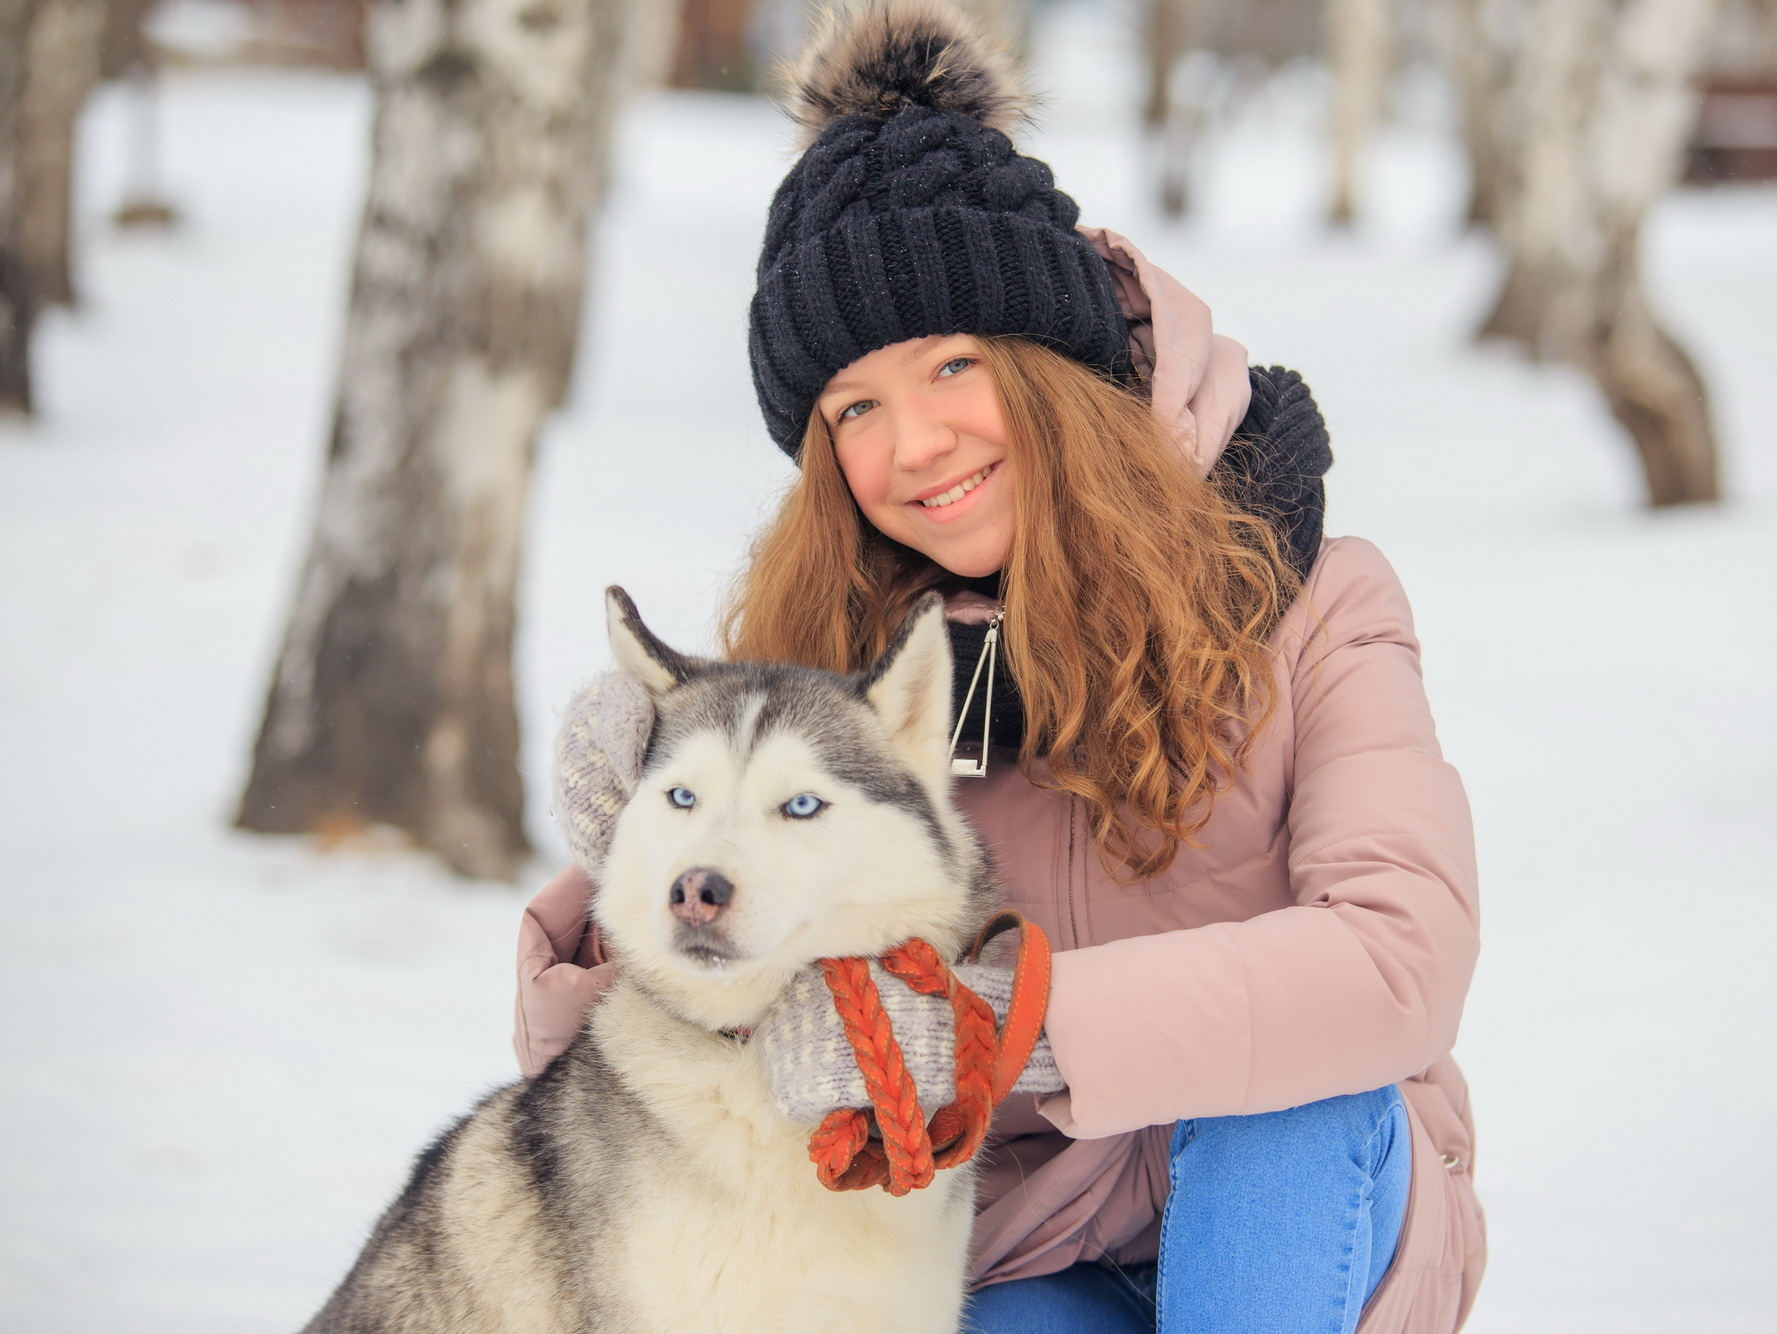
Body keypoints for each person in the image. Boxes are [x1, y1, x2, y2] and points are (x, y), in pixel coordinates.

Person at [515, 4, 1483, 1331]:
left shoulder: (1314, 600)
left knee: (1287, 1102)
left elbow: (1399, 957)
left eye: (952, 368)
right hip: (1028, 1245)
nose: (912, 447)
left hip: (1299, 1201)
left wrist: (999, 1023)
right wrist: (631, 834)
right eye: (854, 408)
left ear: (1053, 368)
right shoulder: (835, 679)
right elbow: (638, 1052)